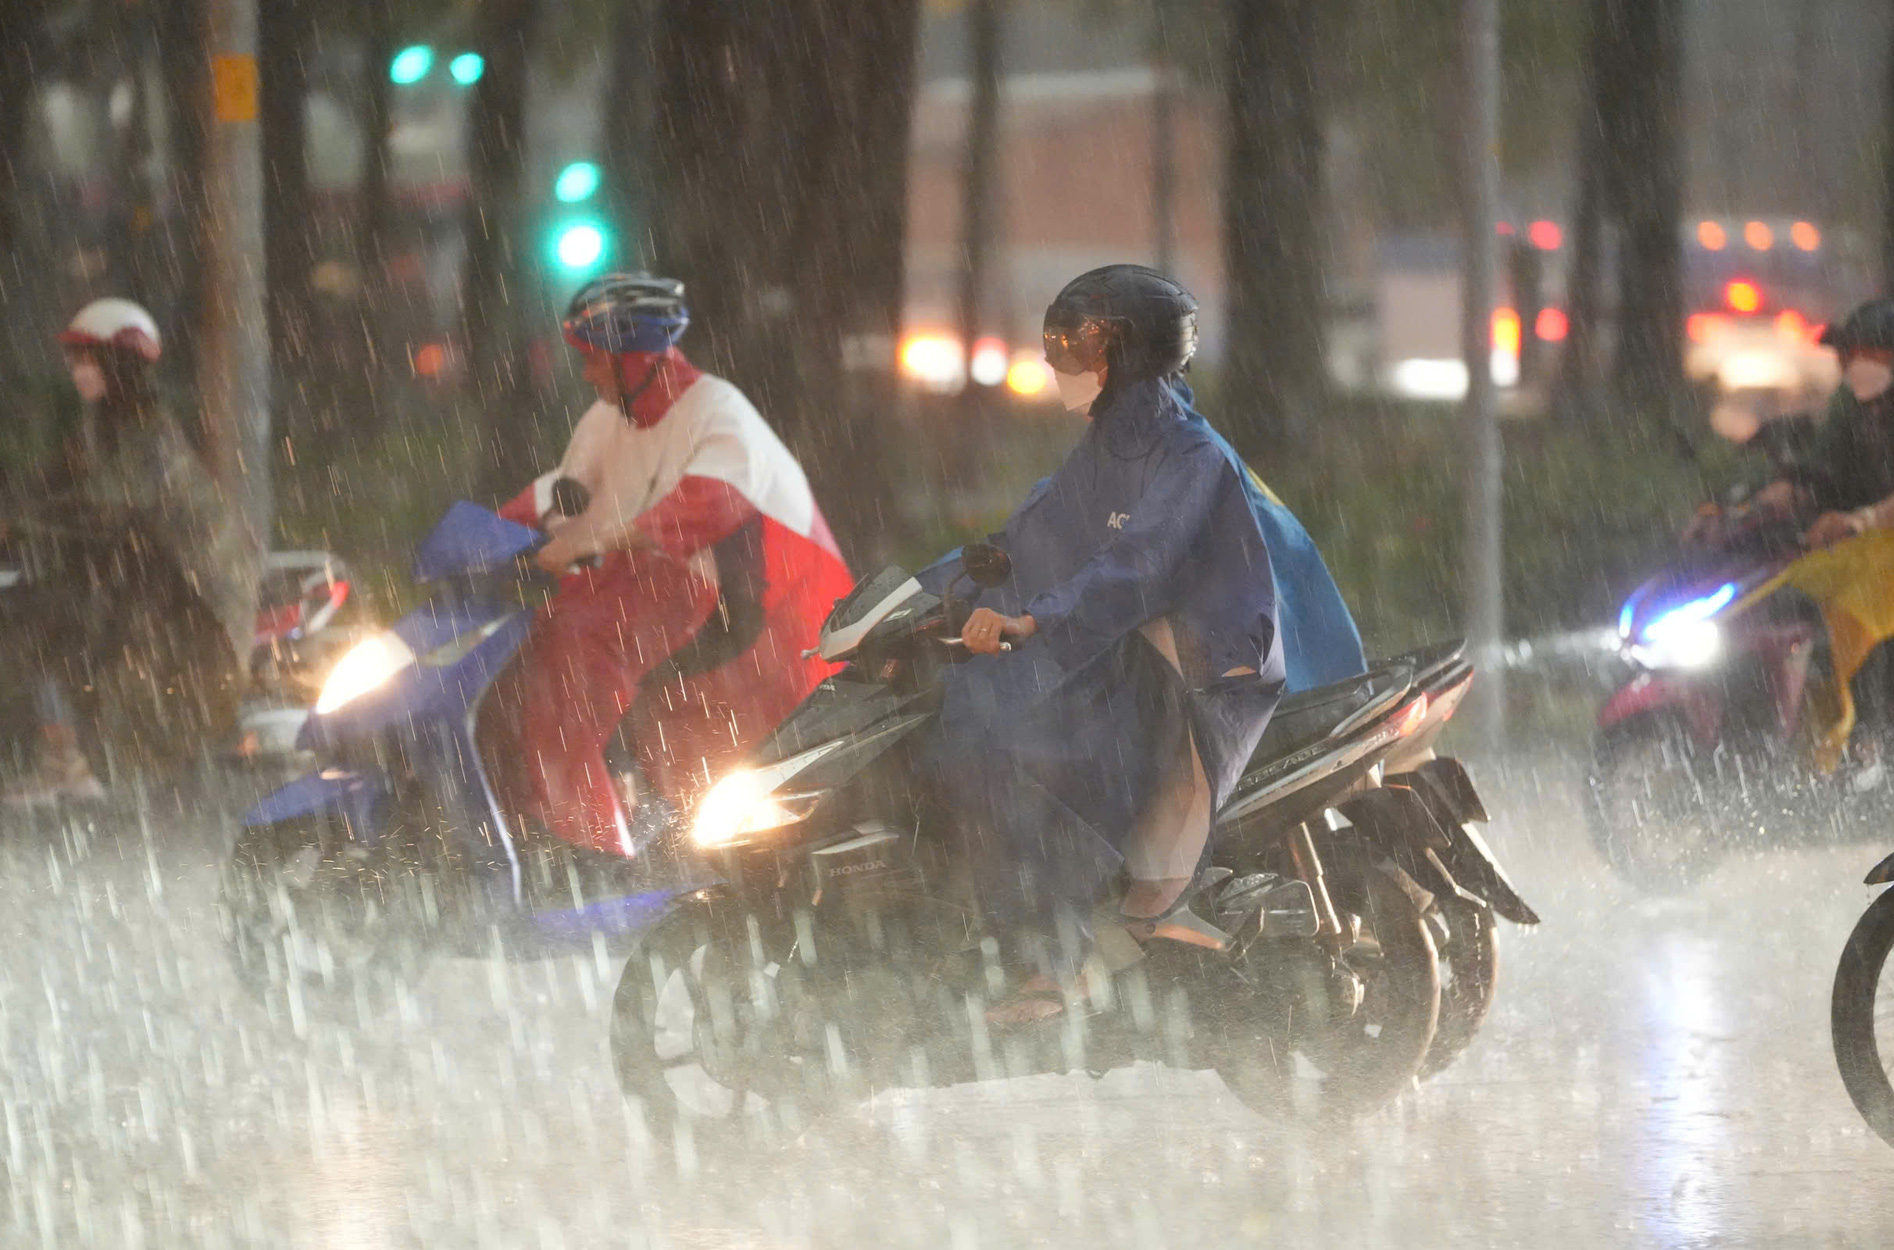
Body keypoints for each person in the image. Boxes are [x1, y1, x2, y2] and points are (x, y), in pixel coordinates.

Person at [927, 264, 1365, 1024]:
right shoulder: (1106, 449)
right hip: (1125, 639)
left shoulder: (1190, 455)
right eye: (1056, 342)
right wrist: (912, 602)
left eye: (1078, 345)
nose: (1059, 362)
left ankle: (1060, 963)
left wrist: (1036, 622)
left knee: (1036, 750)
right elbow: (1026, 540)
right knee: (962, 726)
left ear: (1126, 356)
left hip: (1202, 660)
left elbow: (1136, 566)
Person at [481, 274, 852, 858]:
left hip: (762, 620)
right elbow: (563, 491)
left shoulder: (718, 412)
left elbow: (700, 509)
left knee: (573, 660)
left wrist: (586, 542)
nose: (586, 373)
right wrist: (488, 536)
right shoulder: (610, 419)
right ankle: (546, 825)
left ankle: (596, 844)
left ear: (636, 360)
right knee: (536, 654)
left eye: (595, 359)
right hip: (682, 601)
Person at [1690, 299, 1894, 766]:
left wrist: (1862, 520)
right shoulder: (1855, 424)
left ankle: (1866, 749)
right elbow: (1810, 477)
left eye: (1872, 356)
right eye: (1852, 355)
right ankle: (1787, 746)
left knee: (1856, 616)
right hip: (1884, 556)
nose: (1857, 366)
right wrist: (1739, 509)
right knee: (1784, 603)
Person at [1, 298, 258, 804]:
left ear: (118, 363)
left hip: (189, 609)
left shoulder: (149, 434)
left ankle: (63, 758)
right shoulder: (103, 429)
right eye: (74, 360)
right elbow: (48, 485)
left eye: (85, 359)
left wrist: (16, 524)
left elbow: (102, 506)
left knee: (38, 620)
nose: (76, 371)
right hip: (143, 587)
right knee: (35, 609)